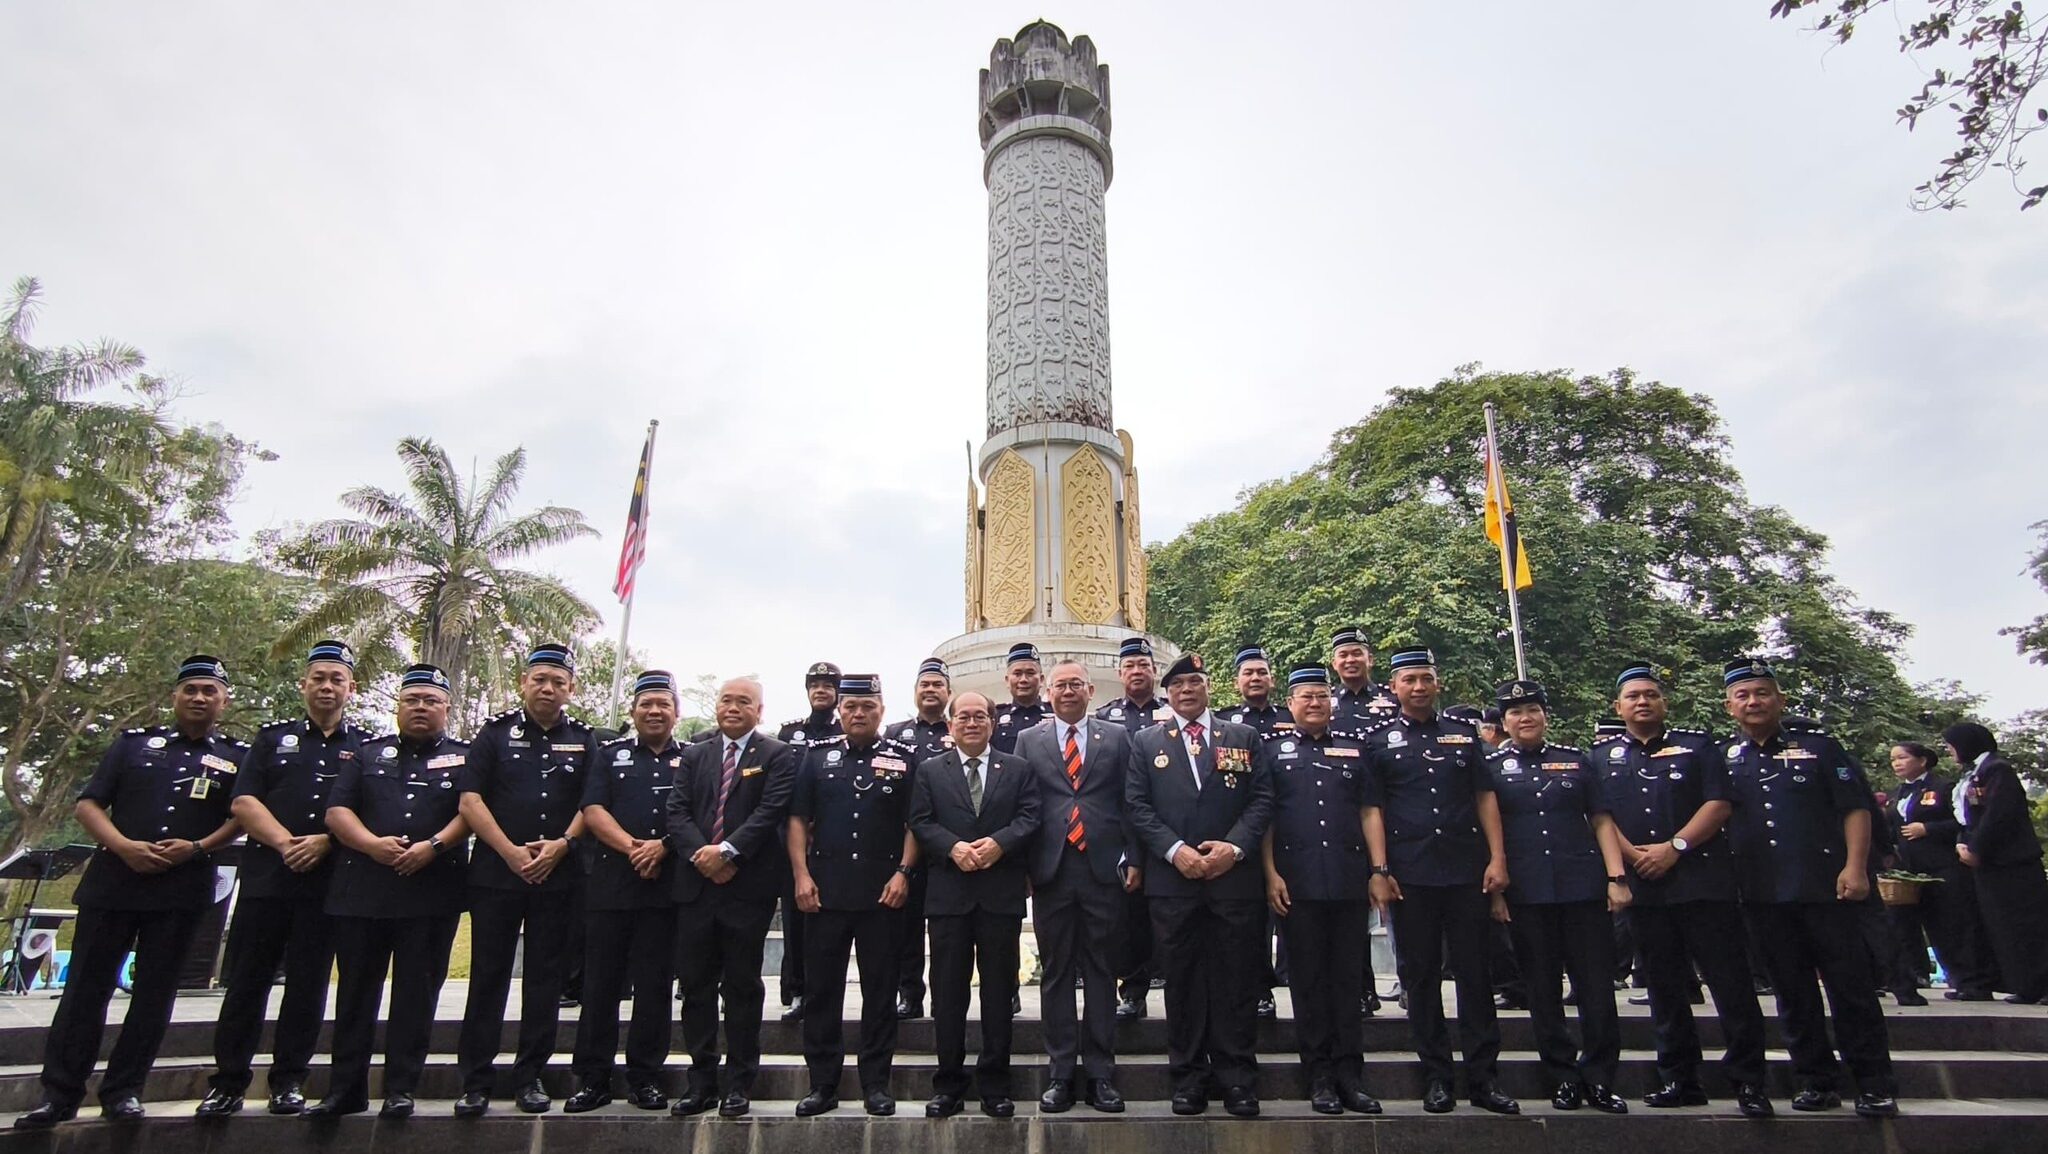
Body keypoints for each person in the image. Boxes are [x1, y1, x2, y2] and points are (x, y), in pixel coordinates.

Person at [15, 657, 246, 1130]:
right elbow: (89, 803)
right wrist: (121, 845)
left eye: (209, 690)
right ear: (175, 696)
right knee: (84, 992)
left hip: (181, 888)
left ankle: (125, 1092)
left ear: (225, 700)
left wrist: (199, 847)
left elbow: (244, 814)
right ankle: (59, 1094)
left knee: (154, 997)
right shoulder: (135, 745)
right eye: (191, 689)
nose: (199, 697)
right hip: (114, 883)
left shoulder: (238, 757)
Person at [198, 642, 371, 1119]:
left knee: (308, 985)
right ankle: (228, 1082)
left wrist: (325, 842)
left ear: (350, 689)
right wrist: (285, 843)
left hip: (328, 883)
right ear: (304, 684)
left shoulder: (365, 747)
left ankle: (289, 1080)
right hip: (269, 878)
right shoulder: (271, 739)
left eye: (337, 679)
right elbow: (244, 802)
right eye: (319, 677)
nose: (327, 686)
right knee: (247, 983)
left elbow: (369, 810)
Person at [1722, 657, 1898, 1118]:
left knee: (1850, 988)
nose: (1753, 701)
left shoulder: (1820, 747)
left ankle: (1873, 1083)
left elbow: (1855, 809)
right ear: (1729, 706)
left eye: (1762, 692)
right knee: (1791, 991)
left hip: (1826, 887)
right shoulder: (1725, 757)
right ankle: (1815, 1079)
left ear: (1779, 699)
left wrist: (1856, 867)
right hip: (1762, 892)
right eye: (1743, 695)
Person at [1597, 664, 1771, 1116]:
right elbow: (1599, 817)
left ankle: (1749, 1081)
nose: (1642, 702)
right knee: (1664, 988)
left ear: (1663, 702)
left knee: (1730, 985)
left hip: (1701, 882)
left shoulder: (1698, 748)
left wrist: (1675, 848)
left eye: (1650, 694)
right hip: (1646, 888)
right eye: (1632, 696)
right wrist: (1636, 859)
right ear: (1618, 706)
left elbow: (1719, 803)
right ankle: (1680, 1077)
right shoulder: (1603, 756)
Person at [1362, 647, 1517, 1115]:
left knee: (1475, 973)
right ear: (1394, 687)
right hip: (1411, 875)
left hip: (1466, 870)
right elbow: (1373, 809)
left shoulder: (1464, 735)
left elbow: (1484, 797)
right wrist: (1380, 870)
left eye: (1425, 678)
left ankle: (1484, 1077)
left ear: (1437, 683)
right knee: (1421, 977)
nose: (1418, 687)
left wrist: (1497, 858)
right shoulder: (1378, 741)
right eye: (1409, 680)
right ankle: (1437, 1076)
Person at [311, 664, 471, 1119]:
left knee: (416, 996)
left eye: (431, 701)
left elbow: (471, 809)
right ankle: (345, 1089)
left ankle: (401, 1087)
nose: (420, 708)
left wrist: (433, 846)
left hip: (431, 891)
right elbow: (337, 810)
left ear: (446, 708)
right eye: (412, 700)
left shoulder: (464, 757)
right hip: (363, 890)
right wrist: (370, 845)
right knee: (356, 994)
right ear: (397, 706)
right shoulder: (365, 754)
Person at [1126, 652, 1274, 1118]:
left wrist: (1233, 849)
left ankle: (1237, 1080)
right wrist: (1175, 851)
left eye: (1194, 682)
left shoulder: (1242, 736)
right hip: (1173, 883)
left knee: (1236, 981)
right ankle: (1188, 1078)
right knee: (1183, 983)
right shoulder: (1147, 742)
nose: (1187, 690)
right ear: (1167, 694)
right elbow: (1137, 805)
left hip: (1233, 880)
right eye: (1178, 685)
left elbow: (1263, 799)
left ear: (1209, 687)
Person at [453, 644, 591, 1117]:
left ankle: (530, 1075)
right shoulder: (493, 735)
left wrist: (561, 846)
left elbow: (592, 806)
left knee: (545, 981)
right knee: (488, 977)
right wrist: (510, 852)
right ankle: (475, 1080)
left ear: (571, 688)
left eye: (558, 680)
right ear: (523, 683)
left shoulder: (586, 739)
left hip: (559, 876)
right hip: (498, 874)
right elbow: (470, 801)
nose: (548, 688)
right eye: (539, 679)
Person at [1484, 679, 1630, 1115]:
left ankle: (1601, 1078)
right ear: (1504, 721)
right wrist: (1497, 894)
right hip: (1528, 894)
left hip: (1582, 888)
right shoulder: (1491, 769)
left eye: (1532, 709)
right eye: (1514, 712)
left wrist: (1616, 877)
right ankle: (1562, 1076)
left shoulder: (1576, 762)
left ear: (1545, 715)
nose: (1524, 718)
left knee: (1596, 988)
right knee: (1542, 990)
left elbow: (1601, 820)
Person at [788, 674, 919, 1117]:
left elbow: (913, 823)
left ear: (882, 708)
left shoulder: (903, 759)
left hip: (883, 893)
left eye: (867, 706)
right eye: (850, 707)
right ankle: (822, 1084)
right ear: (840, 711)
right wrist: (801, 876)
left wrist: (903, 872)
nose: (858, 714)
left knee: (879, 992)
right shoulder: (816, 757)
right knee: (822, 992)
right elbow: (798, 820)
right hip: (824, 892)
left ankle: (875, 1084)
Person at [667, 677, 797, 1118]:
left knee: (742, 986)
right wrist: (701, 855)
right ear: (717, 706)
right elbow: (677, 812)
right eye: (727, 700)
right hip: (696, 886)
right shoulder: (695, 754)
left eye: (745, 701)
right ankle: (701, 1079)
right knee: (696, 988)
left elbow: (770, 812)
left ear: (759, 711)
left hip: (747, 887)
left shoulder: (777, 754)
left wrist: (726, 851)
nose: (734, 707)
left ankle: (740, 1081)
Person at [909, 690, 1040, 1117]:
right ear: (950, 725)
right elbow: (921, 821)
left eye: (979, 716)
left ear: (992, 722)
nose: (971, 722)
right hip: (949, 895)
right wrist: (953, 848)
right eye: (962, 716)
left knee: (999, 994)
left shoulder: (1017, 768)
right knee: (948, 994)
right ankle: (947, 1084)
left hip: (1000, 896)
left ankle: (995, 1085)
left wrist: (1000, 845)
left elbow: (1030, 816)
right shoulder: (930, 770)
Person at [1259, 666, 1382, 1116]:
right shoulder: (1273, 752)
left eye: (1321, 696)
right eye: (1305, 697)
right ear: (1290, 704)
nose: (1314, 703)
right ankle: (1320, 1078)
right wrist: (1270, 873)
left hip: (1349, 878)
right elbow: (1266, 816)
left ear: (1331, 701)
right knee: (1308, 984)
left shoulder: (1355, 747)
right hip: (1297, 882)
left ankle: (1352, 1076)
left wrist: (1379, 869)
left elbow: (1370, 811)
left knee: (1348, 982)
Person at [1020, 660, 1138, 1114]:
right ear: (1048, 692)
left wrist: (1135, 859)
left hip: (1103, 869)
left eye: (1076, 684)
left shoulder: (1116, 737)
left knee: (1102, 972)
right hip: (1051, 871)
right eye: (1060, 685)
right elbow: (1026, 805)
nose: (1067, 691)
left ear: (1091, 690)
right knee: (1056, 974)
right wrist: (1025, 868)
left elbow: (1131, 801)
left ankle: (1101, 1073)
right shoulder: (1030, 740)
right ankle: (1061, 1072)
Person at [565, 670, 685, 1114]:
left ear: (677, 712)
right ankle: (593, 1079)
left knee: (654, 987)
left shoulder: (691, 758)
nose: (655, 711)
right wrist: (634, 848)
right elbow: (592, 809)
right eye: (646, 704)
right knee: (600, 986)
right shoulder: (608, 754)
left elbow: (695, 812)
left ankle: (645, 1077)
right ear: (633, 711)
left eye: (663, 704)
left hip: (665, 889)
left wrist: (663, 847)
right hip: (611, 887)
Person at [1886, 741, 1998, 1004]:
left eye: (1902, 758)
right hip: (1910, 869)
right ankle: (1918, 976)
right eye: (1893, 760)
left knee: (1953, 925)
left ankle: (1973, 982)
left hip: (1943, 865)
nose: (1897, 764)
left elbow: (1963, 821)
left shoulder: (1943, 787)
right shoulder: (1898, 793)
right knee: (1912, 927)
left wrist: (1928, 829)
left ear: (1922, 760)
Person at [1948, 721, 2048, 1004]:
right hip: (1988, 864)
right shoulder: (1975, 773)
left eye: (1952, 745)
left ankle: (2040, 984)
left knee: (2026, 925)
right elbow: (1969, 816)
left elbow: (1999, 815)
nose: (1950, 751)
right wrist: (1962, 843)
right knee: (2001, 927)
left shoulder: (1997, 770)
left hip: (2011, 862)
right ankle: (2023, 983)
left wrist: (1978, 848)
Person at [1096, 636, 1168, 1021]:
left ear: (1154, 672)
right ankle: (1133, 991)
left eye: (1144, 665)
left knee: (1168, 914)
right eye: (1131, 666)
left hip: (1167, 826)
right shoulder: (1105, 717)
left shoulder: (1173, 712)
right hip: (1123, 826)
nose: (1138, 671)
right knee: (1128, 916)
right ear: (1120, 673)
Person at [887, 657, 955, 1021]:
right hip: (906, 846)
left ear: (948, 692)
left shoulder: (959, 730)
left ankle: (946, 997)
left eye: (937, 685)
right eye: (924, 685)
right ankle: (910, 994)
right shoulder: (895, 734)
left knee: (948, 930)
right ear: (915, 692)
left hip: (948, 845)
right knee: (906, 926)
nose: (930, 690)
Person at [774, 660, 842, 1022]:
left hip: (835, 840)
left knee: (829, 924)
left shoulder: (849, 728)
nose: (821, 690)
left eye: (828, 686)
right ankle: (796, 990)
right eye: (815, 685)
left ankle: (823, 993)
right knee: (796, 920)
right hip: (795, 839)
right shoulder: (790, 734)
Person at [1330, 627, 1398, 733]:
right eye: (1343, 655)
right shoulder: (1324, 702)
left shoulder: (1394, 698)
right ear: (1334, 664)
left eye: (1357, 654)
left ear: (1370, 660)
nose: (1350, 660)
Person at [992, 643, 1050, 755]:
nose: (1023, 679)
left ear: (1041, 679)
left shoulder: (1055, 715)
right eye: (1017, 674)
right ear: (1007, 680)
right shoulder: (995, 717)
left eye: (1030, 673)